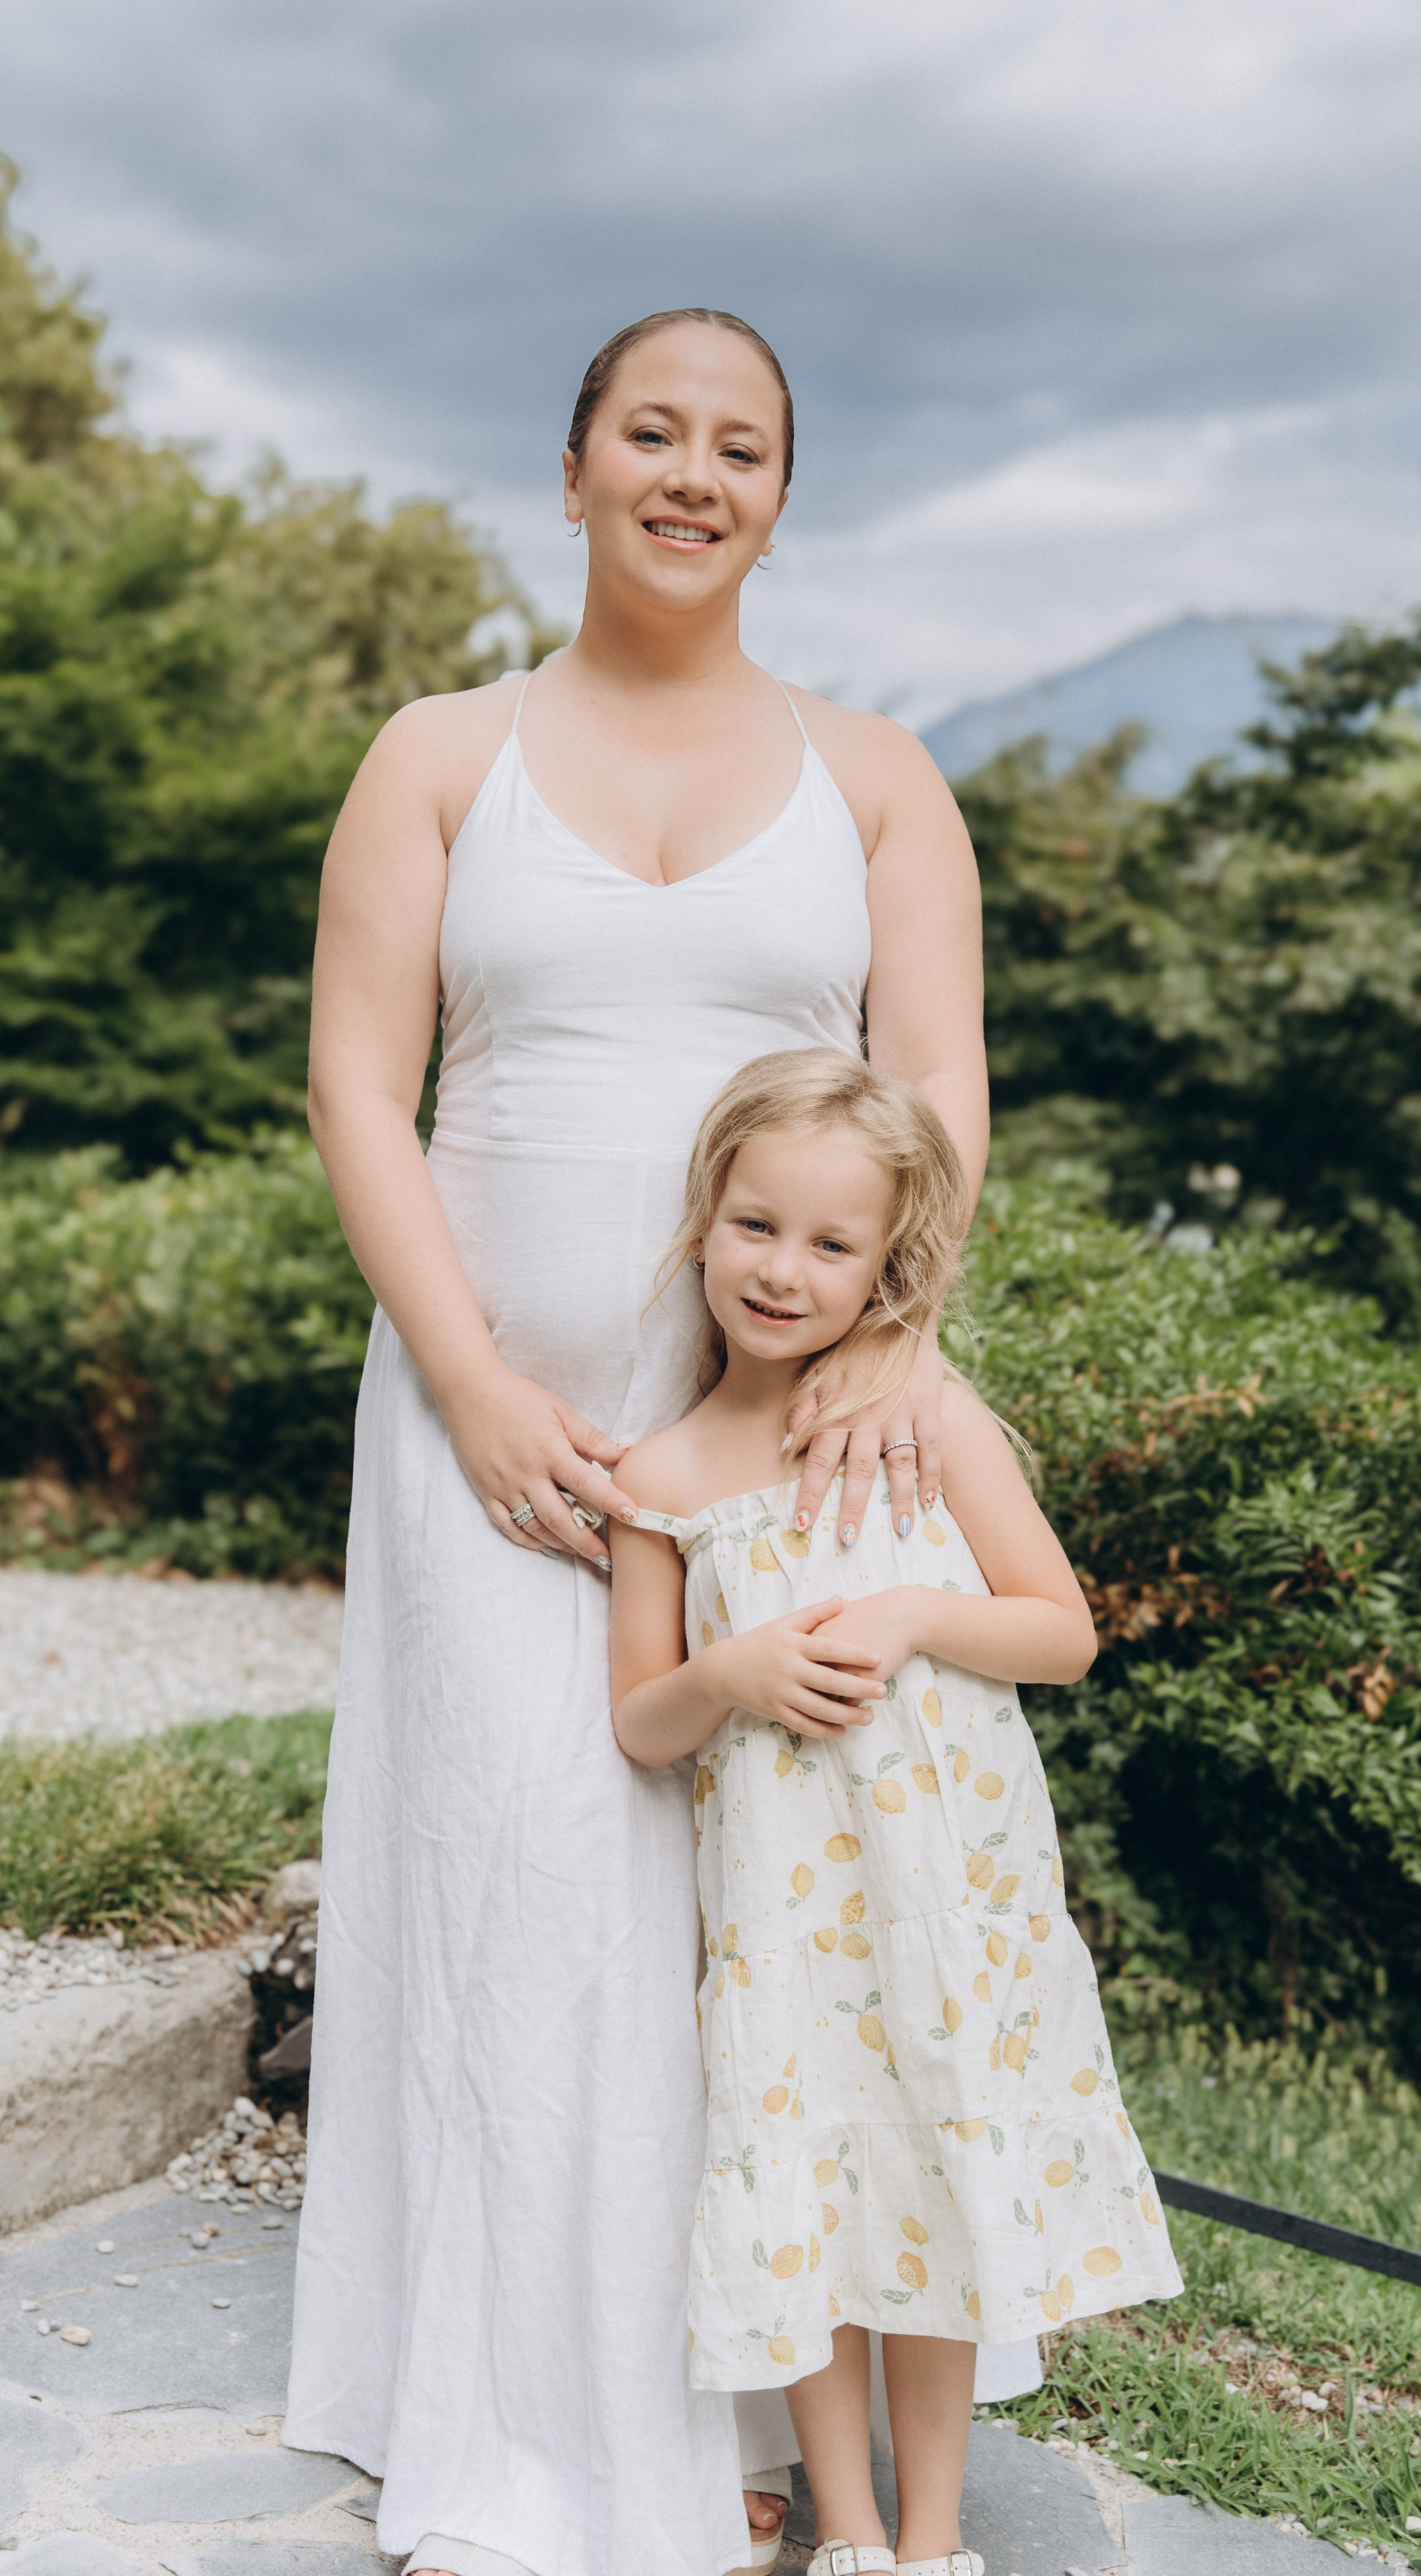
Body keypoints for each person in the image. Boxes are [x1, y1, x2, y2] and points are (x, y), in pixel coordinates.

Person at [286, 306, 992, 2576]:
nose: (696, 472)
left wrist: (894, 1342)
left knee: (762, 1907)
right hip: (492, 1425)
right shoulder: (438, 753)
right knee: (528, 1887)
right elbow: (357, 1085)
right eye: (654, 431)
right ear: (576, 462)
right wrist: (476, 1383)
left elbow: (940, 1091)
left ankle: (756, 2420)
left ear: (782, 494)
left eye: (742, 444)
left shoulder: (876, 778)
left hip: (786, 1440)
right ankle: (517, 2432)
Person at [610, 1050, 1183, 2575]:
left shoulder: (923, 1422)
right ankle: (848, 2533)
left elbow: (1060, 1632)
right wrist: (729, 1672)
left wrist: (920, 1613)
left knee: (933, 2183)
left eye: (830, 1244)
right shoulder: (663, 1477)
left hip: (944, 1901)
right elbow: (641, 1721)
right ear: (703, 1219)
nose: (781, 1271)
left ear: (886, 1267)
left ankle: (933, 2542)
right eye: (755, 1226)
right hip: (788, 1925)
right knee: (807, 2196)